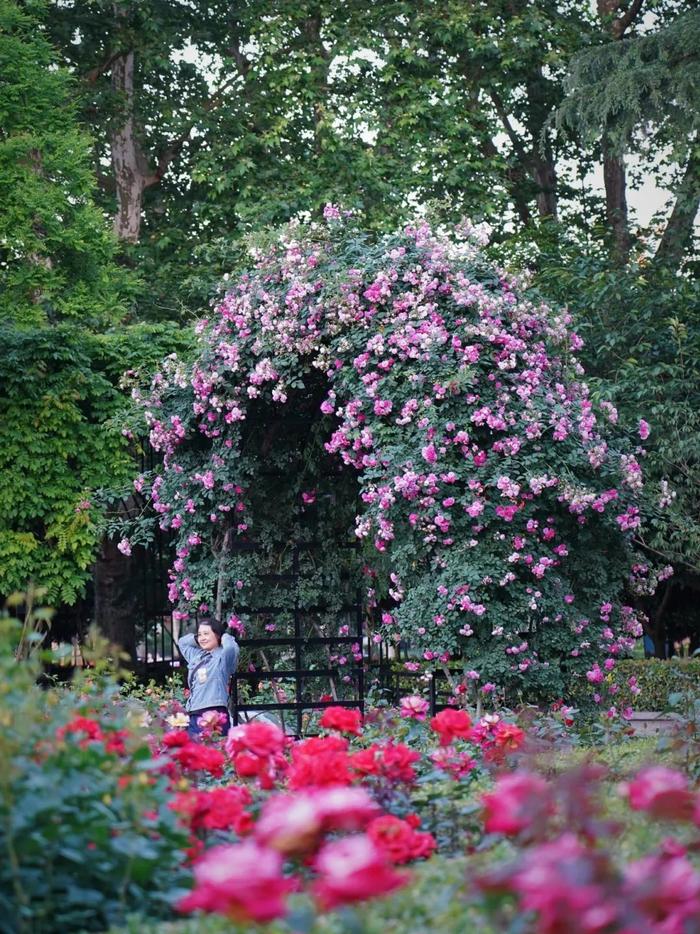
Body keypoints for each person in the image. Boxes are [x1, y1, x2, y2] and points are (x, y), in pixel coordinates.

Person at [177, 619, 239, 737]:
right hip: (194, 713)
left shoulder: (222, 658)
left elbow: (230, 648)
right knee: (195, 754)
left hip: (215, 714)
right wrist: (197, 639)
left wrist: (224, 635)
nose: (202, 638)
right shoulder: (197, 656)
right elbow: (182, 642)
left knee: (215, 752)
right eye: (200, 634)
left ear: (217, 635)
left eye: (206, 634)